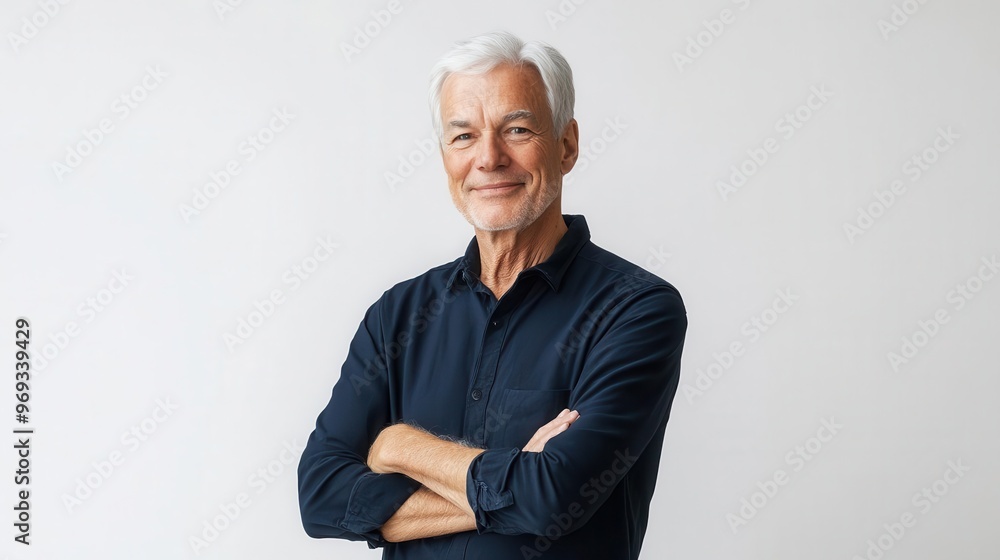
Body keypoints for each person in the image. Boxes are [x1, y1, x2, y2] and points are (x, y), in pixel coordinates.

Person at [297, 31, 687, 559]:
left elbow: (553, 498)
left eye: (518, 129)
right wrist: (514, 482)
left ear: (567, 145)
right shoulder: (397, 315)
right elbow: (320, 497)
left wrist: (399, 447)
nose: (489, 158)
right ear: (445, 159)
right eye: (463, 137)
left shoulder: (636, 311)